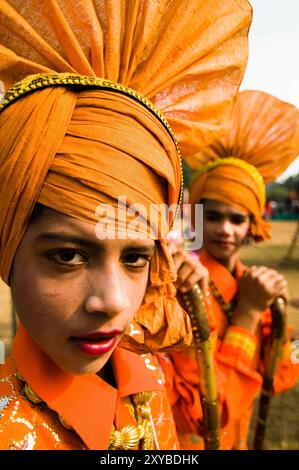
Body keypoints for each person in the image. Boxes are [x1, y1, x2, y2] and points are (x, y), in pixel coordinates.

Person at [0, 0, 252, 450]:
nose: (114, 302)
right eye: (67, 256)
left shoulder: (147, 373)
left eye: (136, 258)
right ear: (8, 245)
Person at [159, 90, 299, 449]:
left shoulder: (252, 282)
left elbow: (278, 378)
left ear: (252, 224)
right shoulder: (178, 285)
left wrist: (278, 320)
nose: (225, 229)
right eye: (214, 216)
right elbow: (202, 413)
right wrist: (249, 316)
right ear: (195, 218)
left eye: (237, 219)